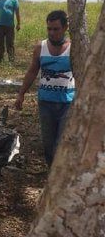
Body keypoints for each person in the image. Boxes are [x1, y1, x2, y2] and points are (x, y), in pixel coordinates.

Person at [14, 10, 75, 165]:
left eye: (56, 29)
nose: (52, 33)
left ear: (65, 28)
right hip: (46, 103)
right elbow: (33, 71)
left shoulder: (73, 49)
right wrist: (21, 94)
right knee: (48, 145)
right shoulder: (41, 48)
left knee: (61, 144)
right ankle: (51, 175)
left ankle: (59, 176)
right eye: (49, 29)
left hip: (67, 104)